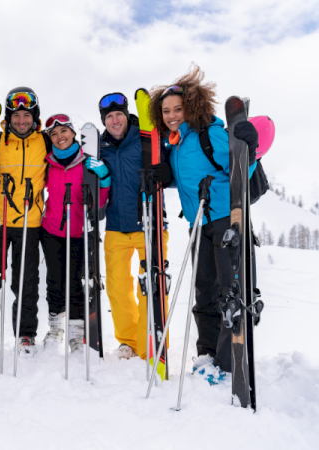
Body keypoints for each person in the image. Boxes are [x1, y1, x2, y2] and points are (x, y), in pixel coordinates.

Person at [148, 65, 258, 377]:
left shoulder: (209, 134)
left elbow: (241, 171)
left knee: (229, 291)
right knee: (205, 290)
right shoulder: (177, 143)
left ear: (192, 106)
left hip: (226, 219)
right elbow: (190, 176)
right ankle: (206, 355)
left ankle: (226, 361)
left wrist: (249, 153)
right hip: (199, 224)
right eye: (166, 111)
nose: (171, 115)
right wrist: (165, 177)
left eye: (177, 109)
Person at [0, 87, 48, 355]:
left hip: (31, 222)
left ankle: (25, 335)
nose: (21, 121)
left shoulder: (45, 141)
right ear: (9, 117)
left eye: (26, 115)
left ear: (34, 116)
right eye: (16, 115)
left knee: (26, 283)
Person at [98, 92, 171, 360]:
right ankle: (128, 341)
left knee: (151, 285)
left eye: (118, 115)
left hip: (149, 223)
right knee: (118, 287)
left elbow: (171, 168)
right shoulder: (100, 147)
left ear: (127, 115)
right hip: (115, 225)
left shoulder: (146, 139)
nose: (114, 120)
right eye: (109, 117)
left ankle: (150, 338)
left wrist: (166, 173)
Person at [40, 114, 110, 351]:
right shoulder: (47, 162)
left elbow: (99, 203)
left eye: (64, 131)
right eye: (54, 134)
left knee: (76, 282)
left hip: (80, 232)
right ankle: (55, 328)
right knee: (55, 280)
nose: (60, 137)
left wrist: (105, 178)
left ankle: (76, 331)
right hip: (51, 230)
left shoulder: (86, 161)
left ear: (72, 133)